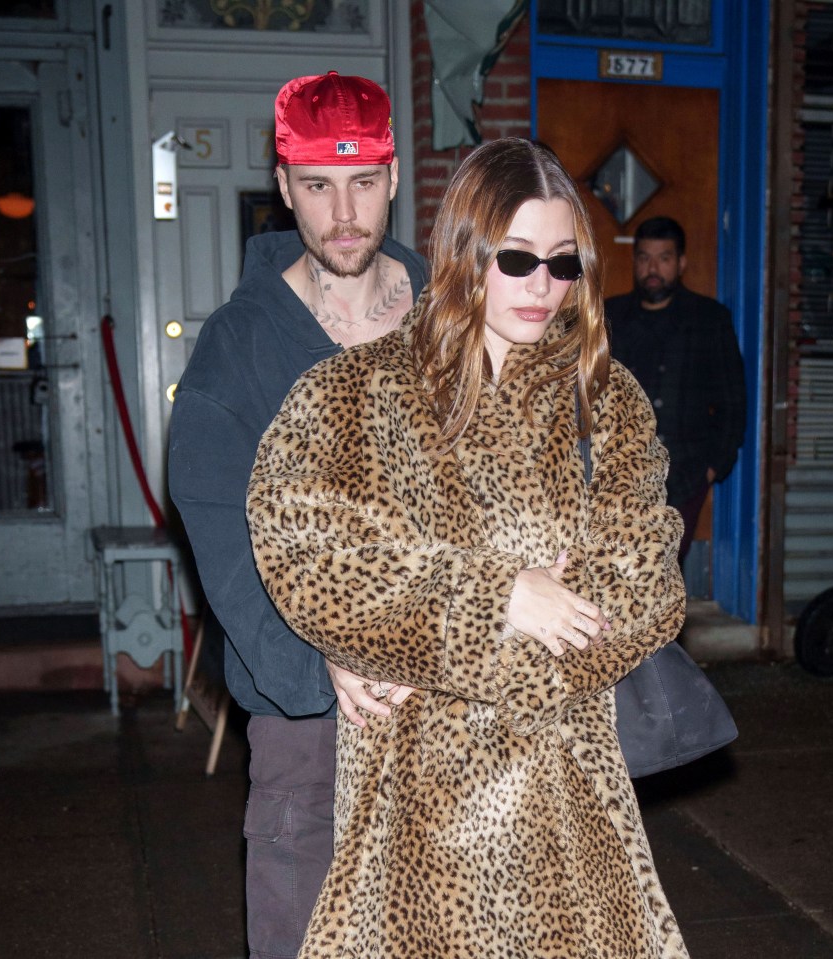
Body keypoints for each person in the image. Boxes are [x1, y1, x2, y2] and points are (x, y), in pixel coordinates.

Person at [247, 138, 689, 958]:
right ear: (467, 251)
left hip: (573, 814)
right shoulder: (354, 395)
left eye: (563, 265)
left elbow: (646, 582)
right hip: (416, 821)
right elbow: (313, 561)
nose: (541, 287)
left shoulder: (606, 398)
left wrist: (441, 645)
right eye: (517, 258)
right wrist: (501, 599)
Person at [167, 71, 427, 959]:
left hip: (456, 697)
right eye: (317, 184)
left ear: (393, 177)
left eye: (362, 182)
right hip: (308, 715)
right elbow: (217, 525)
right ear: (284, 189)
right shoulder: (238, 345)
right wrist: (313, 661)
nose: (343, 211)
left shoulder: (455, 318)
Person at [605, 216, 746, 563]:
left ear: (681, 263)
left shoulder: (710, 319)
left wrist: (713, 467)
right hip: (617, 473)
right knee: (614, 571)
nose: (652, 268)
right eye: (644, 258)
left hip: (685, 473)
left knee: (665, 572)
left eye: (664, 258)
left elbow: (733, 400)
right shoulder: (609, 316)